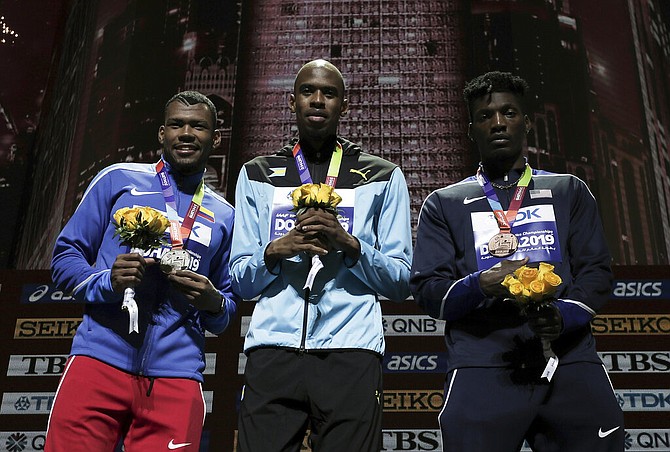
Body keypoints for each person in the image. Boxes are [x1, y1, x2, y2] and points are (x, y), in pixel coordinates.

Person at [410, 71, 624, 451]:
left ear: (526, 121)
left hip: (569, 360)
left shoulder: (568, 190)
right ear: (470, 128)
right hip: (481, 365)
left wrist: (563, 316)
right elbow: (429, 290)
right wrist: (481, 284)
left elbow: (597, 271)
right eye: (485, 116)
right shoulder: (443, 203)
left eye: (508, 113)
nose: (497, 123)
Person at [230, 59, 412, 451]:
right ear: (291, 100)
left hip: (351, 351)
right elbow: (241, 279)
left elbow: (399, 280)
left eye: (328, 93)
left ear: (344, 105)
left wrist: (350, 245)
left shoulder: (382, 176)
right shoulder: (257, 173)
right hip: (273, 350)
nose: (317, 100)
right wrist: (275, 252)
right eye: (308, 91)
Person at [46, 91, 238, 451]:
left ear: (215, 138)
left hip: (176, 376)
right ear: (161, 134)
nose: (186, 133)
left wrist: (212, 301)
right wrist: (107, 282)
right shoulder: (117, 180)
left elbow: (226, 310)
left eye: (198, 126)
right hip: (99, 360)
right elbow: (65, 256)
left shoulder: (225, 215)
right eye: (177, 124)